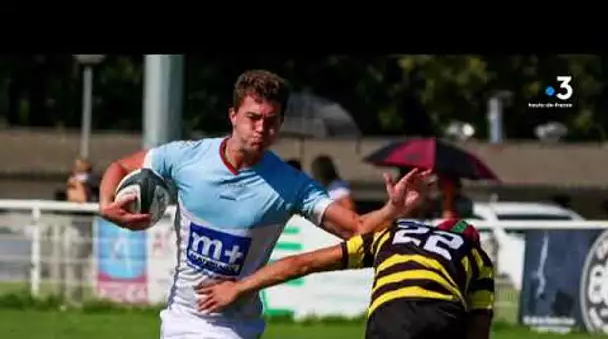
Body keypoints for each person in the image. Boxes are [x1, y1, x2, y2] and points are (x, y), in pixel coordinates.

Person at [98, 69, 431, 339]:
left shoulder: (290, 184)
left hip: (240, 327)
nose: (261, 129)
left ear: (281, 122)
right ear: (233, 115)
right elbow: (121, 166)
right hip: (180, 318)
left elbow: (355, 229)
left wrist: (393, 209)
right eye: (253, 117)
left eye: (271, 121)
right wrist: (105, 205)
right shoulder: (186, 157)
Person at [196, 218, 494, 339]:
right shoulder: (478, 256)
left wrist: (240, 287)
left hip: (391, 315)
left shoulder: (390, 234)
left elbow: (303, 263)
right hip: (443, 316)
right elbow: (479, 329)